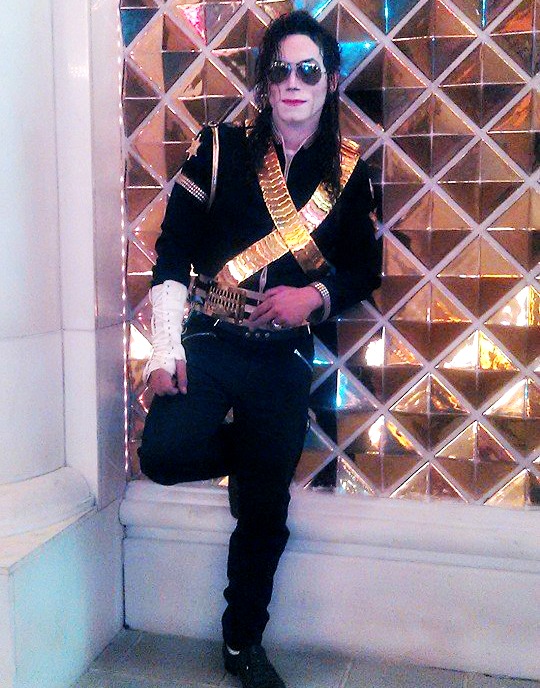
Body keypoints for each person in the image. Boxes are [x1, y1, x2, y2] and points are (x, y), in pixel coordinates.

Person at [138, 10, 381, 688]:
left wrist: (316, 298)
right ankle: (250, 461)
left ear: (330, 82)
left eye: (308, 70)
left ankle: (242, 641)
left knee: (267, 509)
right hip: (211, 339)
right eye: (280, 70)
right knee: (163, 454)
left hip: (284, 354)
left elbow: (365, 270)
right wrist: (163, 349)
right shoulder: (219, 148)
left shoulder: (351, 173)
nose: (293, 82)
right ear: (266, 82)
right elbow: (172, 251)